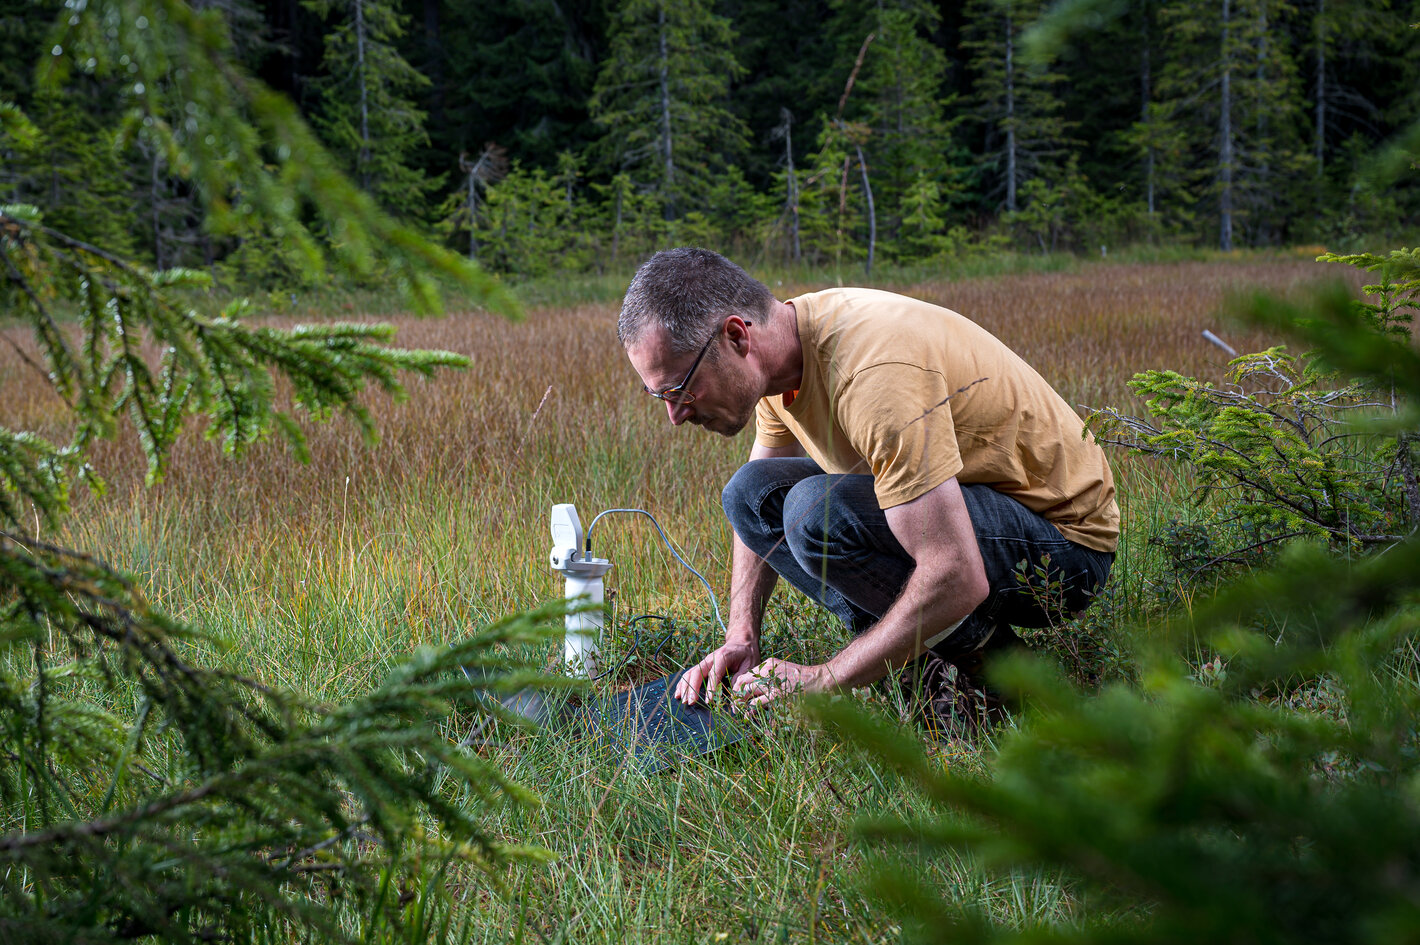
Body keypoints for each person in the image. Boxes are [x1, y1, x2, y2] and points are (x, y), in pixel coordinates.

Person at [619, 247, 1118, 729]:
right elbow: (755, 510)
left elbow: (957, 574)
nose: (675, 416)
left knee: (816, 513)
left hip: (1065, 547)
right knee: (748, 494)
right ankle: (917, 668)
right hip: (978, 517)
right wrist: (741, 637)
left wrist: (824, 679)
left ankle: (1004, 682)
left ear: (736, 337)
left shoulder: (873, 375)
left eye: (680, 388)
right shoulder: (781, 358)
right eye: (657, 394)